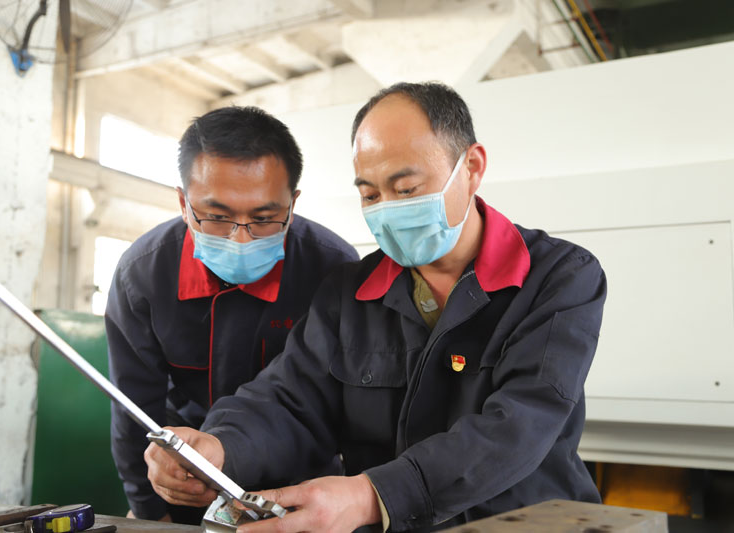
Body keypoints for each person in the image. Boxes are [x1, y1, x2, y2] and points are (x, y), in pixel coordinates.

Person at [143, 82, 607, 532]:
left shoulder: (559, 279)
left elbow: (517, 427)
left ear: (471, 166)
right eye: (369, 194)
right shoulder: (349, 293)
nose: (386, 209)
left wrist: (371, 496)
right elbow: (288, 400)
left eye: (405, 190)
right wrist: (221, 448)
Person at [105, 106, 359, 523]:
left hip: (298, 482)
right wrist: (150, 510)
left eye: (264, 218)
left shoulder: (331, 269)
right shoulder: (144, 274)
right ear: (184, 203)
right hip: (186, 476)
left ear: (292, 204)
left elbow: (335, 406)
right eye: (218, 217)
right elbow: (135, 412)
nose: (241, 238)